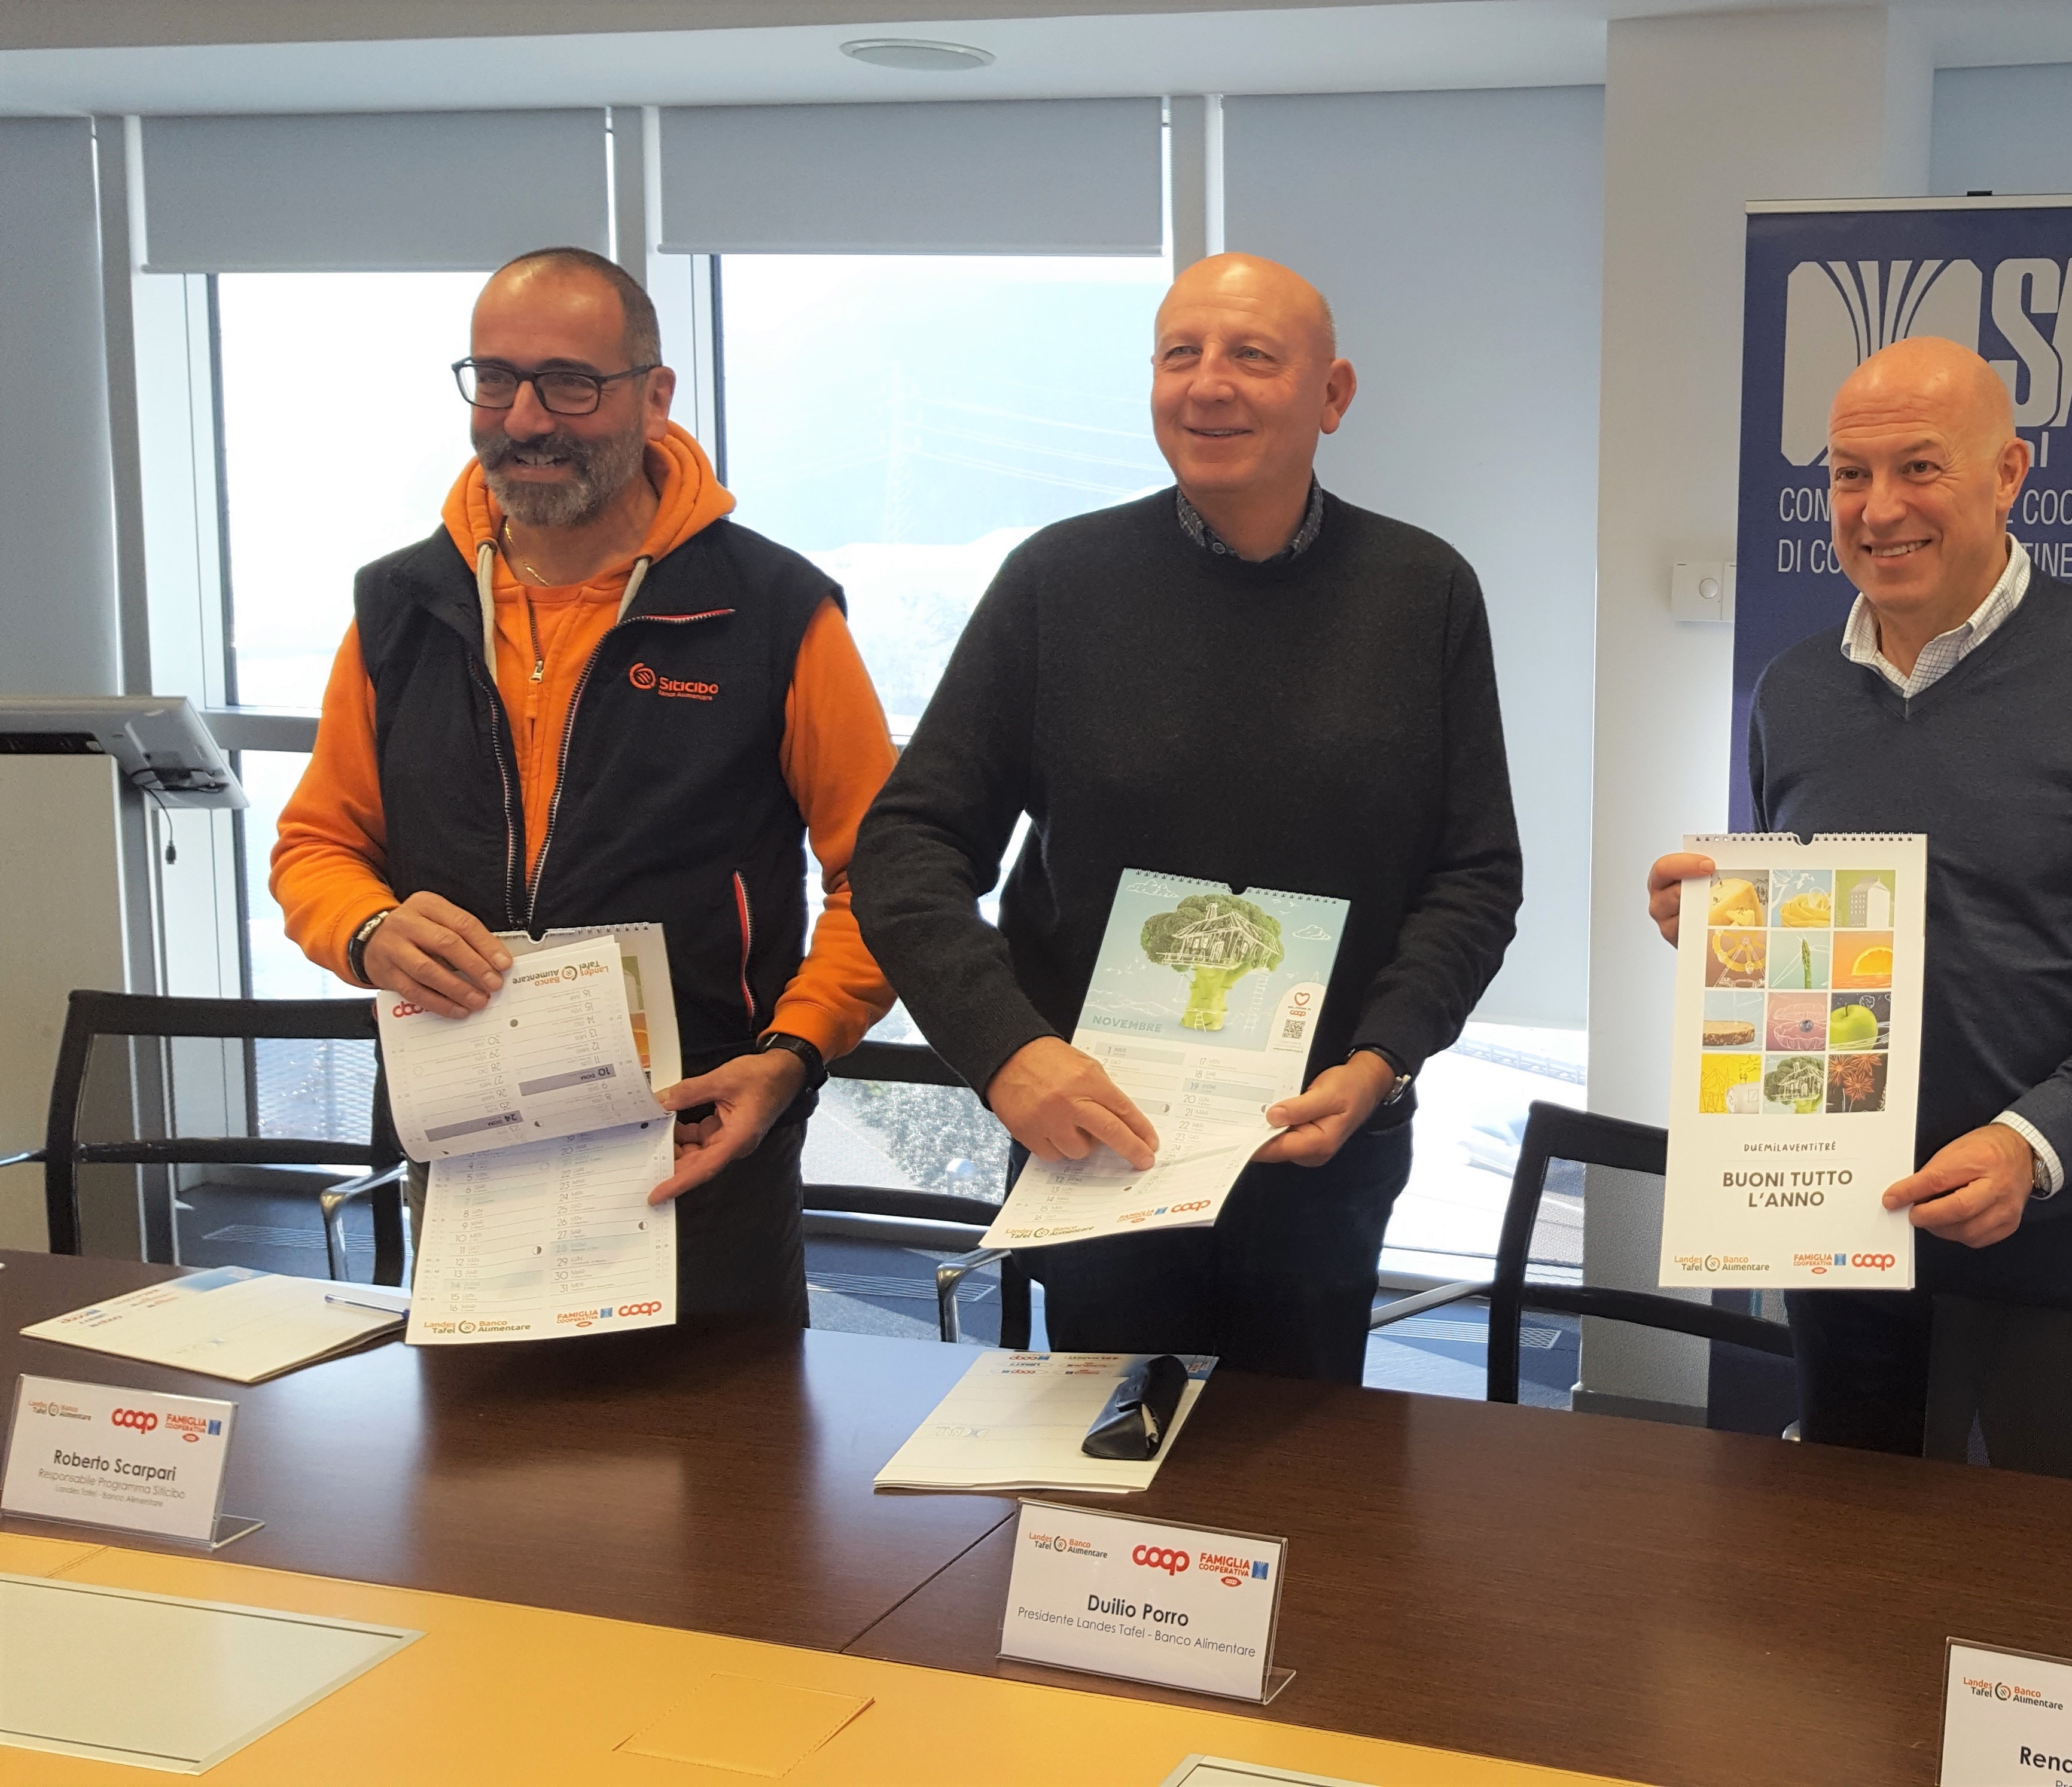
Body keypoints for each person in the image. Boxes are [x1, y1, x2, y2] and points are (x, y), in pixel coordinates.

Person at [854, 252, 1521, 1385]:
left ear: (1333, 395)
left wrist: (1384, 1058)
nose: (1209, 384)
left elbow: (1475, 874)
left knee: (1301, 1460)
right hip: (1098, 1139)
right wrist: (1007, 1051)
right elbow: (908, 845)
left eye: (1252, 356)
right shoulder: (1058, 582)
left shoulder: (1423, 592)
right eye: (1181, 354)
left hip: (1322, 1144)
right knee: (1106, 1454)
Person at [272, 245, 900, 1324]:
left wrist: (792, 1055)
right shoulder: (400, 609)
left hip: (702, 1139)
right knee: (474, 1436)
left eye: (570, 383)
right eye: (497, 378)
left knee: (724, 1439)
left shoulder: (773, 611)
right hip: (465, 1139)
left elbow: (887, 881)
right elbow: (316, 847)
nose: (525, 419)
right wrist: (367, 931)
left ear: (654, 398)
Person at [1647, 337, 2072, 1455]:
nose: (1878, 509)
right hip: (1847, 1231)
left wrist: (2031, 1143)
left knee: (2068, 1555)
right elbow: (1827, 960)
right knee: (1856, 1544)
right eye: (1849, 474)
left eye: (1919, 468)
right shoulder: (1794, 692)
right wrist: (1732, 937)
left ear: (2008, 473)